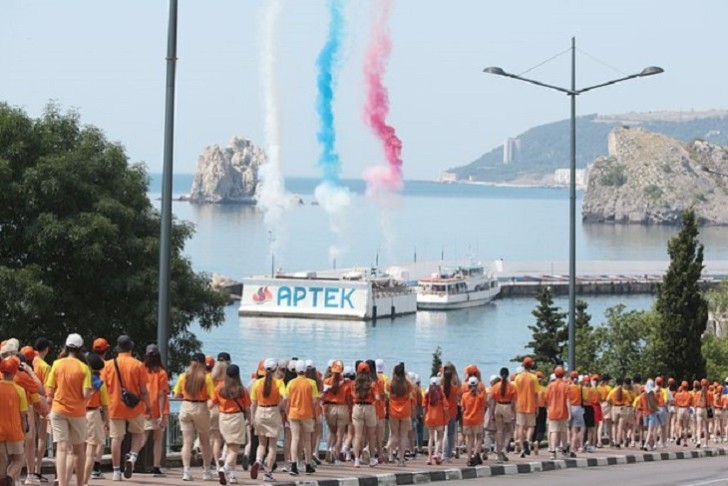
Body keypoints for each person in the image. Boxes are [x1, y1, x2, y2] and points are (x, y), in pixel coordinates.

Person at [101, 335, 152, 481]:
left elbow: (103, 387)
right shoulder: (138, 365)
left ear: (118, 348)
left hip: (114, 405)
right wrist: (148, 406)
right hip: (135, 407)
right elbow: (143, 390)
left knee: (116, 438)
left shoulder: (108, 365)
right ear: (131, 347)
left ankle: (116, 471)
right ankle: (133, 457)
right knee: (138, 433)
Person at [45, 334, 92, 486]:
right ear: (80, 349)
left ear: (66, 347)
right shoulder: (84, 368)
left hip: (58, 410)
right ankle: (80, 482)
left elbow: (50, 390)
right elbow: (85, 393)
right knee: (78, 450)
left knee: (61, 448)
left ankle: (62, 482)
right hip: (77, 412)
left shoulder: (57, 364)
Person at [174, 353, 216, 481]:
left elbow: (176, 394)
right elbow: (212, 396)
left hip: (186, 406)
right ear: (203, 364)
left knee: (187, 442)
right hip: (201, 407)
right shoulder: (207, 378)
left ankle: (186, 471)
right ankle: (207, 471)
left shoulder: (183, 376)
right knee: (205, 442)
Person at [212, 364, 251, 485]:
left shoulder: (219, 388)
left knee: (229, 444)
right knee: (235, 448)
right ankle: (226, 469)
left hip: (223, 418)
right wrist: (249, 420)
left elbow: (212, 402)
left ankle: (230, 470)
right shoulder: (241, 390)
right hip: (236, 417)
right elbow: (247, 407)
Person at [250, 358, 286, 483]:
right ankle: (268, 472)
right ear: (276, 369)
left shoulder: (257, 383)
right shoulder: (279, 383)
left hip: (260, 411)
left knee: (261, 443)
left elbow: (253, 403)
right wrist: (281, 406)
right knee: (272, 445)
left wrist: (252, 418)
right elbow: (285, 397)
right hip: (273, 411)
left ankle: (259, 460)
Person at [138, 344, 169, 478]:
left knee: (142, 437)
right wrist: (162, 414)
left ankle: (131, 457)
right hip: (157, 409)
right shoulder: (161, 373)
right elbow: (162, 394)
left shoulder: (141, 369)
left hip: (143, 408)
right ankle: (156, 467)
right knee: (158, 440)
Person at [285, 360, 318, 475]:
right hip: (307, 414)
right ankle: (308, 464)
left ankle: (293, 465)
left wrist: (286, 413)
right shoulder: (311, 383)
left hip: (293, 414)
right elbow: (314, 401)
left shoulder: (291, 383)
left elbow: (286, 400)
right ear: (305, 370)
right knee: (307, 440)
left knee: (295, 439)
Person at [0, 356, 29, 486]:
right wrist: (24, 432)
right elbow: (23, 416)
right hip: (14, 432)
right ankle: (10, 475)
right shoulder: (20, 390)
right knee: (18, 459)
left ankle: (4, 478)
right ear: (14, 372)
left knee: (2, 462)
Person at [82, 353, 109, 486]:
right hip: (93, 414)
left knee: (77, 450)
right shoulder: (100, 384)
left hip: (78, 413)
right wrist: (107, 422)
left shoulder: (81, 379)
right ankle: (84, 482)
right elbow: (105, 405)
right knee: (90, 452)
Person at [322, 360, 351, 465]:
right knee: (340, 434)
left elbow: (323, 395)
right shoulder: (346, 383)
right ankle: (336, 455)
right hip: (342, 407)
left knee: (332, 432)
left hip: (330, 408)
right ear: (342, 370)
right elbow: (348, 399)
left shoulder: (327, 381)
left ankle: (328, 449)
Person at [32, 338, 52, 484]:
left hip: (27, 402)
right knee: (41, 437)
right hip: (41, 403)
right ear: (46, 349)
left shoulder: (29, 361)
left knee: (29, 438)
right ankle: (37, 470)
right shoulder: (45, 367)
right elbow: (46, 390)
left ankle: (29, 470)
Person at [351, 362, 379, 468]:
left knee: (357, 436)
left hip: (357, 407)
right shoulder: (372, 384)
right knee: (371, 436)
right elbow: (377, 397)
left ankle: (357, 460)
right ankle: (372, 459)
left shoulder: (354, 384)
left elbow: (353, 395)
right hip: (369, 407)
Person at [386, 363, 413, 466]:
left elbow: (387, 393)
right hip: (405, 411)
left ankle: (388, 447)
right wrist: (406, 376)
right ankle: (401, 460)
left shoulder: (390, 384)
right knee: (403, 436)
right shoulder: (407, 384)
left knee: (394, 435)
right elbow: (412, 388)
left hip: (393, 411)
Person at [513, 357, 538, 458]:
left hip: (520, 404)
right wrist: (537, 406)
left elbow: (515, 392)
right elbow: (536, 393)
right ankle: (528, 440)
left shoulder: (518, 378)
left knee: (520, 426)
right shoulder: (534, 377)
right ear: (531, 366)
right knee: (531, 426)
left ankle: (522, 448)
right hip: (531, 404)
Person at [491, 367, 516, 464]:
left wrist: (492, 413)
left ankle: (498, 452)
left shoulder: (496, 386)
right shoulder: (512, 387)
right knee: (509, 430)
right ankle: (504, 448)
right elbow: (513, 402)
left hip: (498, 406)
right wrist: (514, 413)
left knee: (499, 431)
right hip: (507, 406)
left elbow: (492, 401)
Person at [209, 354, 230, 470]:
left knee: (213, 437)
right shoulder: (228, 382)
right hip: (225, 409)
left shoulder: (212, 380)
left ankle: (212, 462)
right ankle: (219, 463)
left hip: (212, 407)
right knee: (221, 439)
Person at [545, 366, 570, 460]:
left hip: (552, 411)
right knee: (563, 431)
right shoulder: (566, 385)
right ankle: (564, 450)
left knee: (553, 431)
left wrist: (548, 408)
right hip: (563, 411)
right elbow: (567, 400)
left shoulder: (550, 385)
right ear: (563, 375)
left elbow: (546, 399)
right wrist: (570, 413)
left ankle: (552, 451)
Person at [460, 375, 486, 466]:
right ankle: (475, 454)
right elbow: (483, 406)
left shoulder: (464, 395)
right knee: (479, 438)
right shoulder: (480, 396)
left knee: (468, 439)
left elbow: (462, 408)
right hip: (478, 419)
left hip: (467, 419)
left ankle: (469, 457)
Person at [423, 376, 447, 465]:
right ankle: (436, 453)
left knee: (431, 437)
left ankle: (429, 458)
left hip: (429, 417)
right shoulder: (441, 394)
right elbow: (446, 407)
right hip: (439, 418)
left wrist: (425, 416)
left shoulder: (427, 393)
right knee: (439, 437)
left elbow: (424, 406)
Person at [441, 362, 459, 462]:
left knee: (442, 433)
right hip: (452, 412)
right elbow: (458, 398)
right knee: (450, 433)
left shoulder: (441, 387)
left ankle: (441, 452)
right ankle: (447, 454)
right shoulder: (455, 388)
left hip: (443, 412)